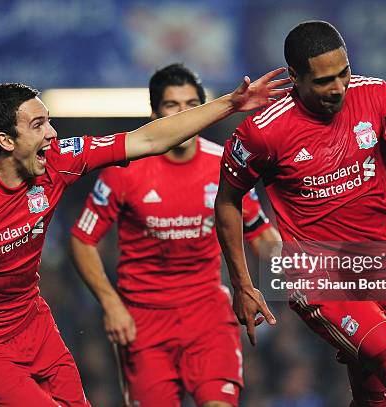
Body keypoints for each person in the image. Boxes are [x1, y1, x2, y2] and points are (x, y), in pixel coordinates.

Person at [0, 68, 289, 406]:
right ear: (5, 141)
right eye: (38, 126)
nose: (53, 133)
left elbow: (148, 140)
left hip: (35, 326)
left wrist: (231, 104)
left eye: (49, 121)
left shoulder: (59, 161)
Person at [215, 21, 386, 407]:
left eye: (343, 73)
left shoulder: (377, 96)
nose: (337, 88)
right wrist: (242, 283)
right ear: (295, 78)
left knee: (374, 396)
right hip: (316, 275)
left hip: (381, 268)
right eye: (323, 81)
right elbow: (227, 201)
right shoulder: (262, 133)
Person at [70, 63, 282, 407]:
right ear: (154, 112)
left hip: (208, 314)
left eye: (192, 105)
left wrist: (297, 269)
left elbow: (261, 234)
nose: (185, 115)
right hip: (144, 322)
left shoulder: (225, 166)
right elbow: (82, 239)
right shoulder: (125, 173)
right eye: (173, 106)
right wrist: (111, 303)